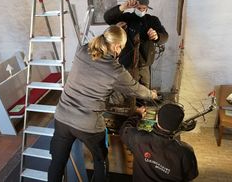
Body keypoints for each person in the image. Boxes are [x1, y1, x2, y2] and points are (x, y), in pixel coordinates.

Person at [48, 25, 158, 182]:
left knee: (57, 164)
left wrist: (111, 32)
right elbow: (135, 89)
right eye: (121, 48)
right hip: (88, 124)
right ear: (116, 46)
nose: (120, 52)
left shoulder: (82, 50)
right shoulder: (115, 70)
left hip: (62, 118)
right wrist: (151, 94)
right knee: (101, 161)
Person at [104, 0, 169, 89]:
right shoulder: (126, 18)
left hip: (144, 65)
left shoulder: (153, 20)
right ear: (134, 7)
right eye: (139, 8)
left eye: (144, 8)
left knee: (143, 94)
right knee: (127, 92)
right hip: (127, 64)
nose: (142, 10)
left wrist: (157, 36)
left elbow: (165, 36)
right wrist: (123, 7)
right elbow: (107, 18)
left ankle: (141, 104)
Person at [120, 103, 199, 182]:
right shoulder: (186, 152)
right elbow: (189, 177)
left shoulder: (138, 139)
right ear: (179, 125)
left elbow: (124, 129)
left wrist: (137, 114)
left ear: (157, 118)